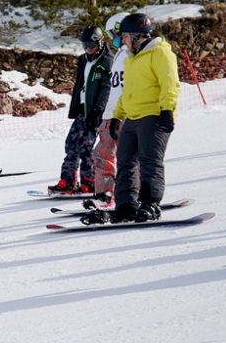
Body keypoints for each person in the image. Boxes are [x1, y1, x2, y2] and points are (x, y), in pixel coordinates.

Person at [110, 13, 180, 222]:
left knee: (150, 161)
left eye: (124, 36)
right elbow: (127, 91)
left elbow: (170, 84)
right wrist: (117, 116)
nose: (122, 40)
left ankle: (150, 204)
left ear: (136, 35)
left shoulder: (160, 53)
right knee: (124, 162)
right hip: (132, 117)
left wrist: (167, 110)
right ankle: (125, 206)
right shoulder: (131, 59)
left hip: (154, 115)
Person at [48, 25, 113, 195]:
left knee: (86, 146)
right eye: (85, 46)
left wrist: (98, 109)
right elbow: (80, 84)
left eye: (91, 46)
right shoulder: (84, 60)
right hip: (82, 109)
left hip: (95, 111)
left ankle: (89, 180)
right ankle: (68, 180)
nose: (88, 49)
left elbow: (107, 87)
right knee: (71, 143)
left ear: (100, 42)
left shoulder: (107, 60)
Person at [82, 12, 131, 210]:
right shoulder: (120, 54)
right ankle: (104, 194)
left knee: (131, 157)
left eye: (113, 34)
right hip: (110, 115)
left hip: (128, 114)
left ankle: (140, 194)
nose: (113, 40)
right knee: (101, 155)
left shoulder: (133, 54)